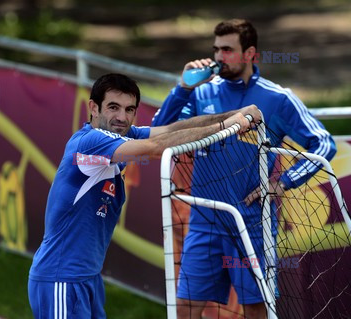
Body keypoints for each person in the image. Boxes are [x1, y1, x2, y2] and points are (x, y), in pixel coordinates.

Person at [28, 73, 261, 318]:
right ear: (93, 108)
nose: (122, 117)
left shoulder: (122, 136)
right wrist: (227, 126)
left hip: (86, 277)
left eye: (129, 109)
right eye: (113, 107)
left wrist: (232, 114)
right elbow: (156, 148)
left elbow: (172, 129)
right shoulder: (91, 141)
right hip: (61, 279)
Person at [151, 19, 337, 319]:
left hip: (253, 225)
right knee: (184, 310)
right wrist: (183, 87)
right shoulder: (201, 94)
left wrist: (283, 182)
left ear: (250, 53)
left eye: (228, 49)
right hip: (203, 222)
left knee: (256, 310)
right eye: (216, 49)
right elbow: (157, 133)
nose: (219, 57)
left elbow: (324, 145)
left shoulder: (277, 98)